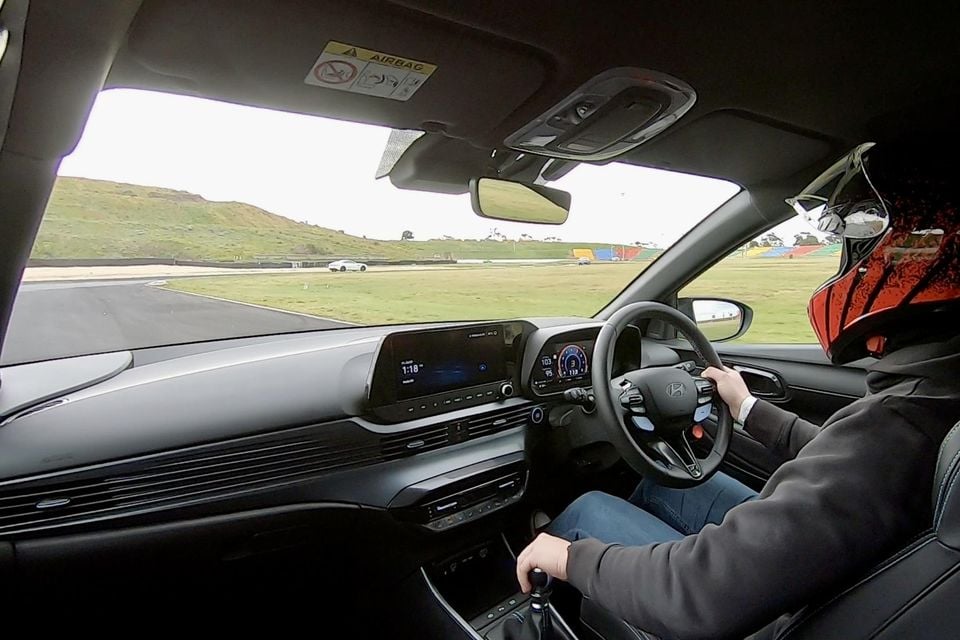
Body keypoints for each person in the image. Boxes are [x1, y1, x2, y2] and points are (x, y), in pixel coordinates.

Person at [514, 140, 960, 639]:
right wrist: (747, 406)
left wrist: (571, 558)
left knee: (585, 513)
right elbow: (844, 462)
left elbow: (698, 593)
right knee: (665, 483)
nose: (844, 266)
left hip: (765, 615)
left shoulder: (899, 423)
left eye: (853, 250)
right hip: (816, 575)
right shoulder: (931, 398)